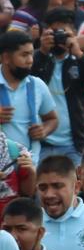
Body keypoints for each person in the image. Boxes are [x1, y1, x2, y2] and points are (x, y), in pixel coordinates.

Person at [30, 8, 84, 162]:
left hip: (73, 144)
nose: (59, 37)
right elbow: (25, 75)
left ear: (73, 33)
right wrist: (41, 51)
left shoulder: (81, 60)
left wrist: (78, 53)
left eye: (63, 32)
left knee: (75, 184)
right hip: (40, 142)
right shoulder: (38, 58)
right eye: (54, 32)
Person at [0, 30, 57, 159]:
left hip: (30, 167)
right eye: (24, 55)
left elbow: (52, 119)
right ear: (6, 58)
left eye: (31, 54)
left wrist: (44, 130)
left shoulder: (38, 85)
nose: (30, 60)